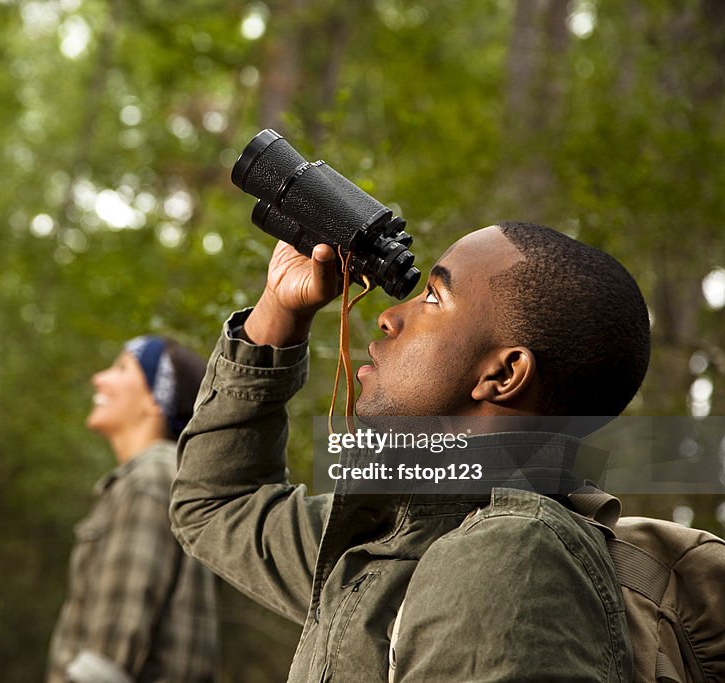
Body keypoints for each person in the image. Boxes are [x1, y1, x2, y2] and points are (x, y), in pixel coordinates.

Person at [170, 222, 652, 681]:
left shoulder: (514, 556)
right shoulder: (401, 529)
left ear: (503, 375)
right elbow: (215, 505)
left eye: (434, 298)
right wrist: (281, 308)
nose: (389, 316)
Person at [47, 336, 219, 683]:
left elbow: (110, 654)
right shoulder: (169, 477)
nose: (99, 378)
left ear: (157, 400)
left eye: (122, 367)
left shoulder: (149, 480)